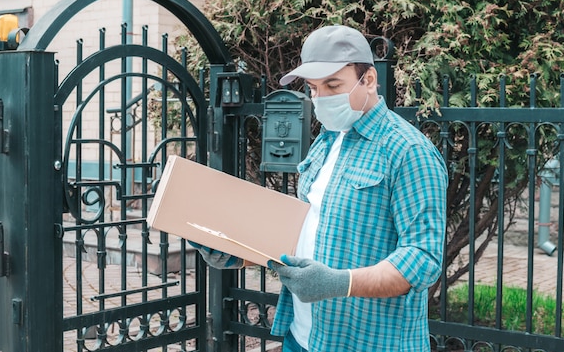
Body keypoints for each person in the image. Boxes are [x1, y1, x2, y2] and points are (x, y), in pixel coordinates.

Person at [192, 25, 448, 351]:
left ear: (368, 80)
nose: (320, 98)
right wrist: (238, 254)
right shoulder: (326, 142)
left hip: (367, 344)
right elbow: (303, 235)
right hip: (301, 338)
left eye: (333, 85)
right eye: (313, 88)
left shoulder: (409, 151)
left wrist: (341, 283)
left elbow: (422, 259)